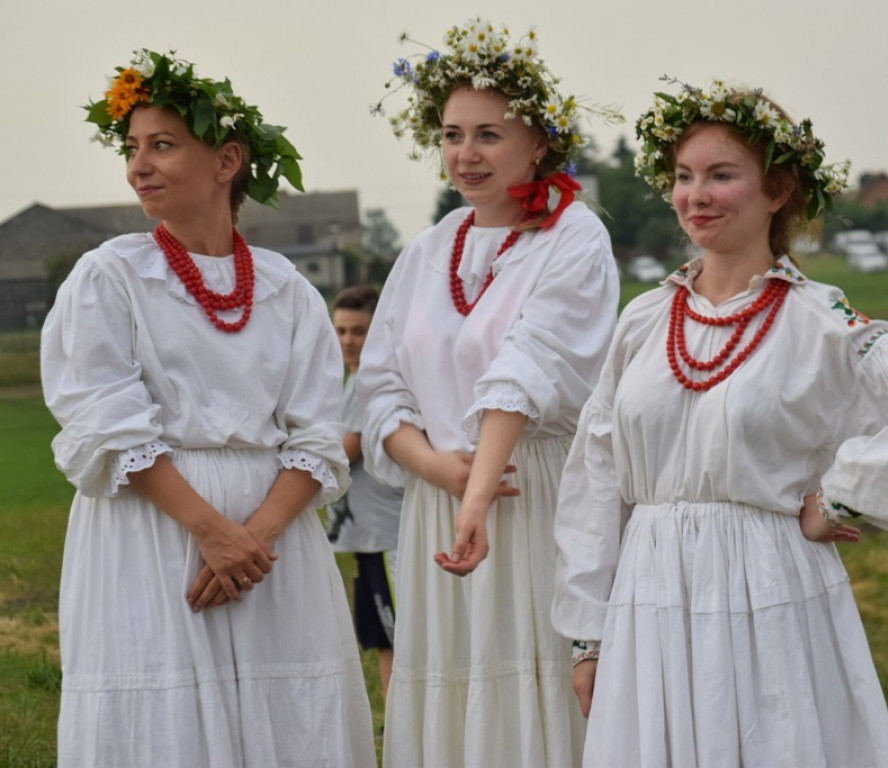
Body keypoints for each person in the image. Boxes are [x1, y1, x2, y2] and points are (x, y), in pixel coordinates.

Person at [551, 78, 888, 767]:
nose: (695, 195)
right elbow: (594, 478)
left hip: (767, 593)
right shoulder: (643, 322)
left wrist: (841, 496)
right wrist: (589, 635)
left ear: (778, 189)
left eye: (722, 176)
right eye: (683, 176)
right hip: (651, 594)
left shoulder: (818, 319)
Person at [42, 49, 375, 767]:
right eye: (132, 149)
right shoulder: (111, 276)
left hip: (271, 548)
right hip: (154, 535)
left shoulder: (287, 288)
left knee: (287, 717)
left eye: (162, 145)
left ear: (227, 160)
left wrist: (250, 539)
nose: (139, 166)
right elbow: (103, 418)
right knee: (167, 722)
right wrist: (209, 531)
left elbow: (316, 433)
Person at [360, 18, 623, 768]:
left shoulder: (574, 237)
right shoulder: (427, 249)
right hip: (438, 499)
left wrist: (475, 490)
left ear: (538, 140)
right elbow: (379, 383)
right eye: (450, 135)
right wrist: (436, 470)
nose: (465, 155)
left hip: (530, 495)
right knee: (454, 685)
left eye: (487, 134)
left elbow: (531, 363)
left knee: (535, 680)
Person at [325, 285, 403, 706]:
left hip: (388, 535)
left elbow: (342, 455)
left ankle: (409, 727)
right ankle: (394, 728)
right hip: (366, 537)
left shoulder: (368, 383)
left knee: (401, 634)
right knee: (380, 638)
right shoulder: (350, 381)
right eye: (340, 331)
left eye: (359, 331)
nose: (348, 341)